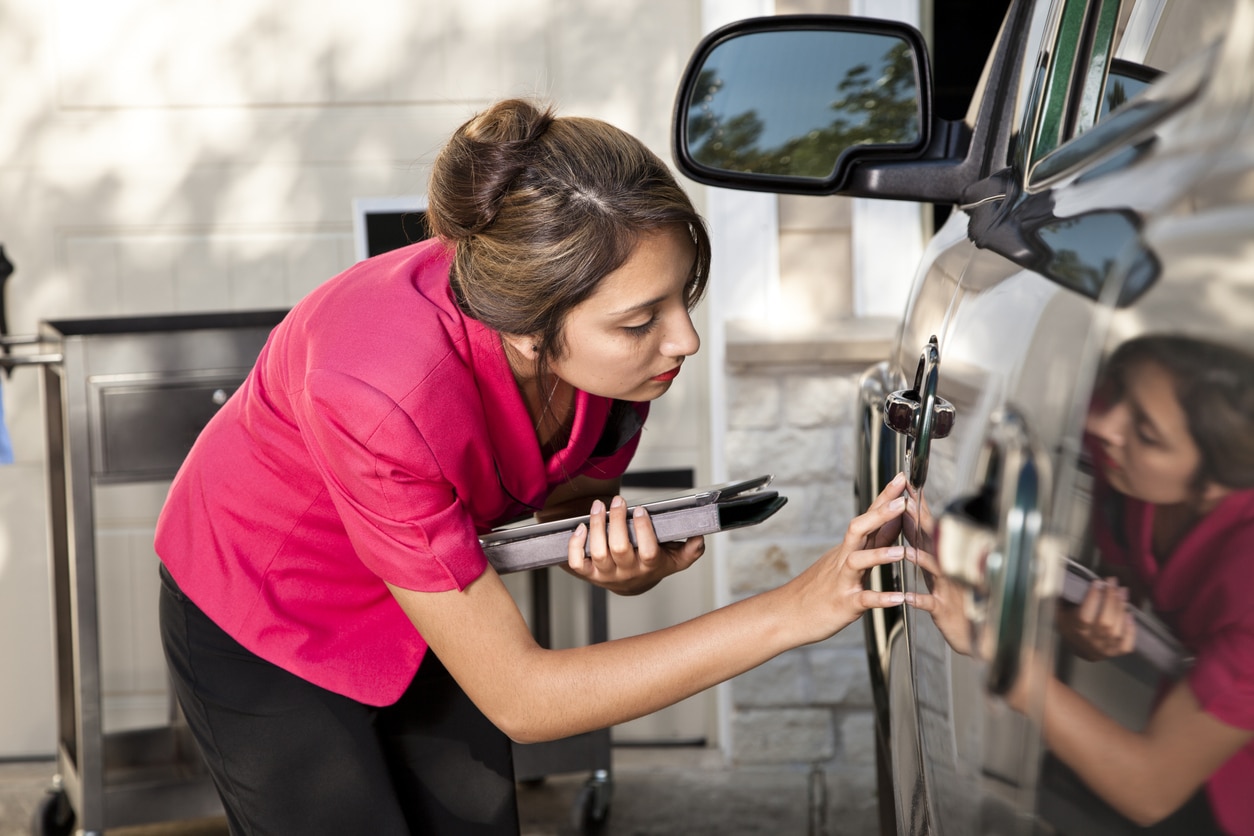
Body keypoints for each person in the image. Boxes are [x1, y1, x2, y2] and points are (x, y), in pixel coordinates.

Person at [155, 97, 911, 836]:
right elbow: (522, 697)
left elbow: (573, 504)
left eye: (682, 297)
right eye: (641, 321)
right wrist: (793, 609)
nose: (683, 340)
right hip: (268, 605)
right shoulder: (379, 392)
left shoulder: (614, 372)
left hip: (437, 600)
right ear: (524, 330)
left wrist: (621, 565)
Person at [910, 334, 1254, 834]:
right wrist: (1076, 625)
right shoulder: (1131, 452)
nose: (1100, 424)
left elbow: (1151, 787)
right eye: (1117, 395)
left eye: (1147, 434)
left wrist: (992, 639)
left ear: (1217, 482)